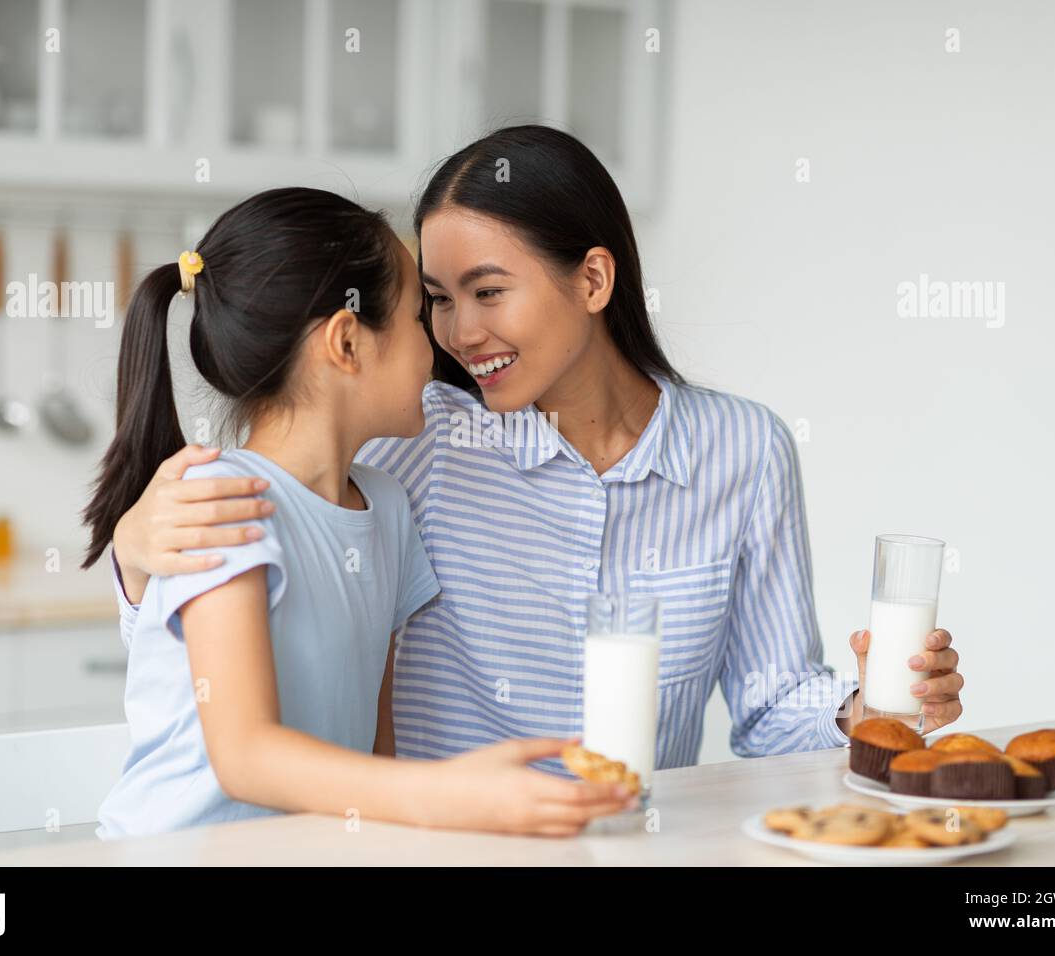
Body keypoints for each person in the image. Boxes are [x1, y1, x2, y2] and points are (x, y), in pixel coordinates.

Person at [108, 126, 964, 776]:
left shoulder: (745, 450)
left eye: (488, 292)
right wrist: (135, 552)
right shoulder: (419, 438)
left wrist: (867, 710)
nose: (457, 332)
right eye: (436, 300)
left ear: (592, 280)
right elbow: (262, 526)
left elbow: (772, 708)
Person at [82, 187, 634, 838]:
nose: (440, 348)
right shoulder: (222, 504)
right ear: (346, 343)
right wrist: (446, 793)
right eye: (416, 321)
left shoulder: (388, 507)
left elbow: (375, 743)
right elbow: (246, 758)